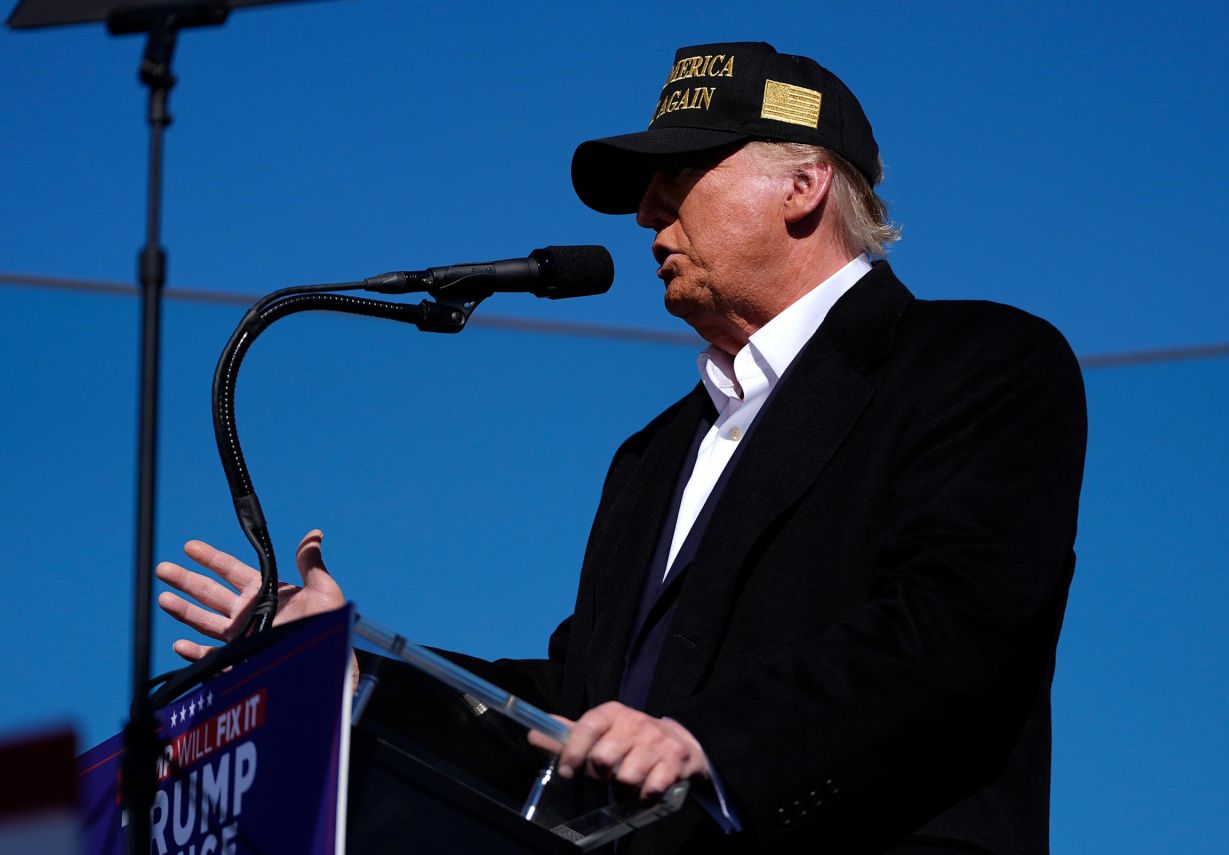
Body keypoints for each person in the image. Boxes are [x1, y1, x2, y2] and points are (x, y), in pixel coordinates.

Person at [158, 41, 1086, 854]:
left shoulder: (978, 364)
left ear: (803, 185)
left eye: (680, 176)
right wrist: (354, 666)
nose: (647, 213)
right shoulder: (652, 455)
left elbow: (952, 628)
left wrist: (709, 741)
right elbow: (577, 701)